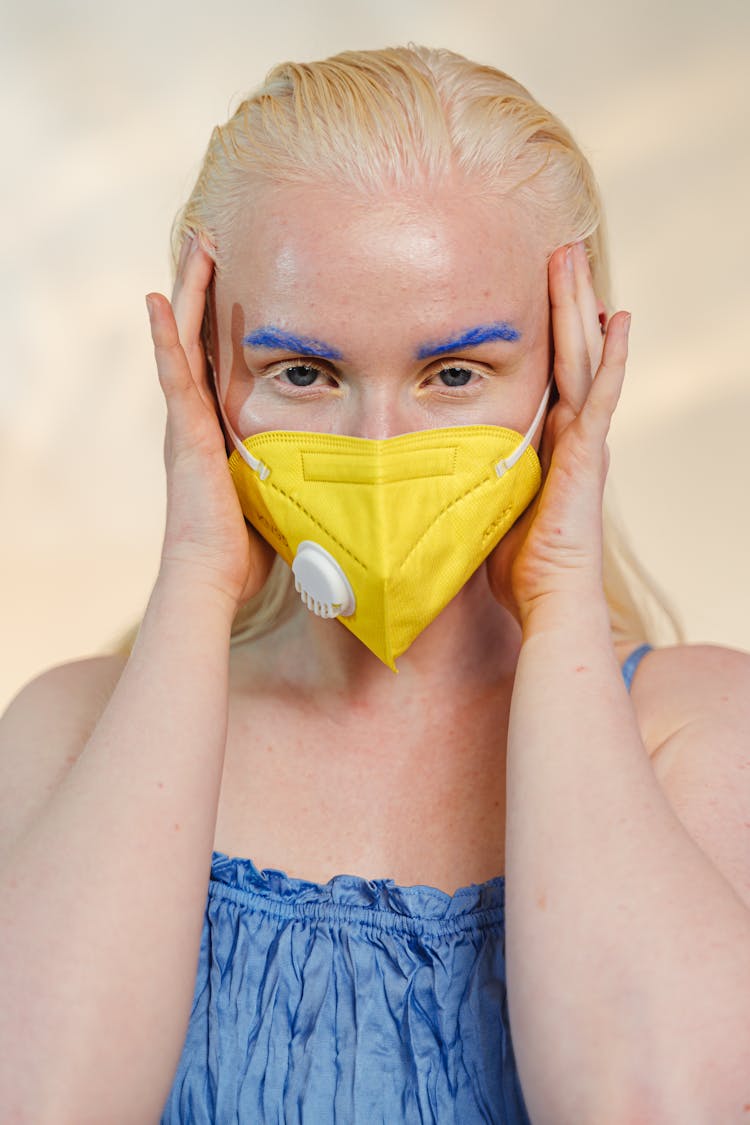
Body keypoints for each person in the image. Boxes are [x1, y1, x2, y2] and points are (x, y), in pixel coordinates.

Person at [1, 45, 749, 1125]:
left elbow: (651, 1102)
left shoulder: (697, 731)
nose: (379, 441)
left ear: (569, 374)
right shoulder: (71, 730)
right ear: (211, 382)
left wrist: (565, 590)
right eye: (305, 373)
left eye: (455, 374)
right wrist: (198, 579)